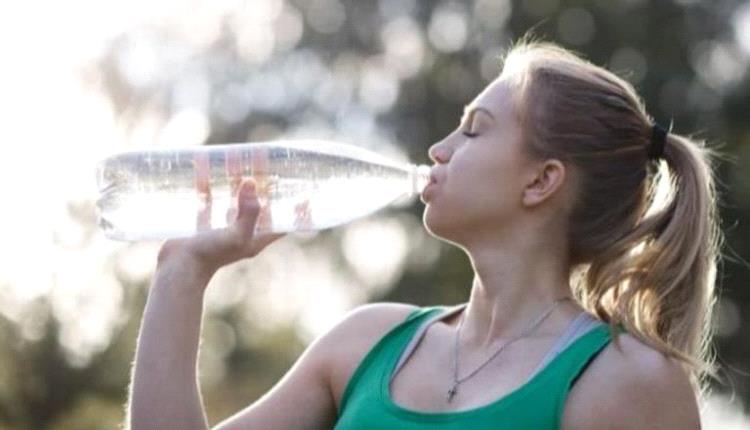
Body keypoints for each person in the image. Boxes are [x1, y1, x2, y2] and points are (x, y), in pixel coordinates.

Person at [126, 39, 723, 429]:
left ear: (541, 181)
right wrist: (182, 272)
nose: (439, 150)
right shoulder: (365, 345)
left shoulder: (626, 381)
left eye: (473, 129)